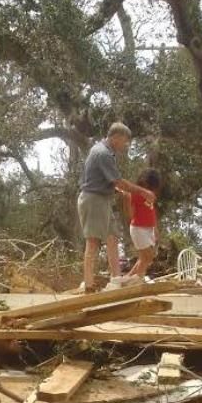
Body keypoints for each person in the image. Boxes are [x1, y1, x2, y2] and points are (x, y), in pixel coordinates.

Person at [77, 123, 155, 292]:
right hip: (93, 199)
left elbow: (111, 181)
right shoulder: (103, 153)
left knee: (112, 237)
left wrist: (120, 189)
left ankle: (116, 279)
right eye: (124, 141)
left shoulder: (104, 151)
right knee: (93, 241)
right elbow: (117, 181)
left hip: (103, 199)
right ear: (116, 137)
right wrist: (143, 192)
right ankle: (88, 285)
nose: (125, 145)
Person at [123, 168, 160, 281]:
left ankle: (128, 278)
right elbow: (130, 214)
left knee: (146, 257)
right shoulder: (134, 193)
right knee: (147, 257)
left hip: (149, 228)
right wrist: (127, 198)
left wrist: (155, 228)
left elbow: (151, 210)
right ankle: (138, 279)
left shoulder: (150, 194)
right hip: (138, 228)